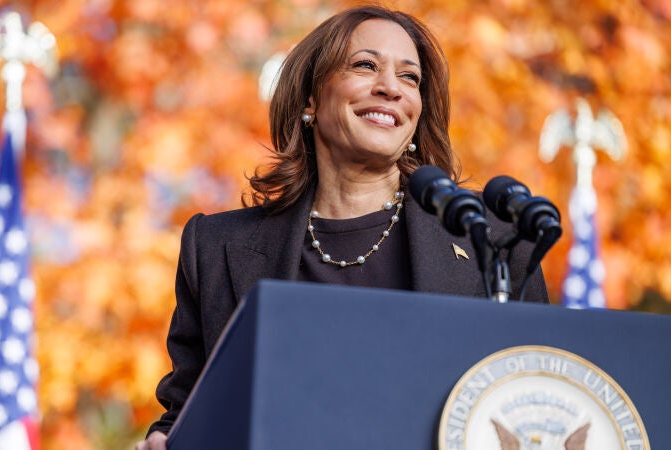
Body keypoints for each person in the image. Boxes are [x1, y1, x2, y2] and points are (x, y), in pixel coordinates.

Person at [136, 5, 548, 449]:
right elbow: (189, 409)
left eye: (409, 77)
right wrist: (163, 439)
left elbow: (535, 400)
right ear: (310, 99)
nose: (390, 87)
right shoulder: (216, 247)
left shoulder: (491, 238)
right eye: (365, 65)